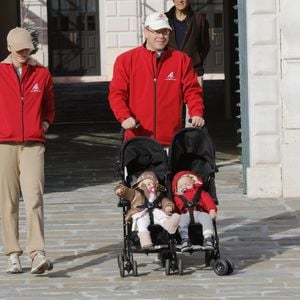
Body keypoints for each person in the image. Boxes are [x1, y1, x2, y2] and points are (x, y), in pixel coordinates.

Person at [0, 27, 55, 274]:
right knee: (8, 201)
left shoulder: (42, 74)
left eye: (27, 48)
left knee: (34, 197)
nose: (24, 52)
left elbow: (49, 106)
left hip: (33, 144)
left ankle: (37, 253)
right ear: (10, 47)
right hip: (4, 145)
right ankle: (13, 253)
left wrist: (43, 124)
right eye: (20, 48)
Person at [108, 12, 205, 147]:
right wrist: (124, 117)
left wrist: (196, 113)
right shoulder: (126, 60)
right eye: (157, 31)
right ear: (146, 32)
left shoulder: (181, 60)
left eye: (165, 32)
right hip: (137, 138)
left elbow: (192, 91)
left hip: (171, 139)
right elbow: (117, 94)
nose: (161, 36)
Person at [115, 171, 180, 249]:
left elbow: (164, 200)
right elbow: (128, 192)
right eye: (148, 184)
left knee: (162, 216)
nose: (151, 185)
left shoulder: (158, 194)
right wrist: (122, 190)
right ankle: (145, 241)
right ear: (141, 184)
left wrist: (168, 206)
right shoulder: (136, 193)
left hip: (155, 212)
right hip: (141, 212)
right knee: (141, 222)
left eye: (153, 184)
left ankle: (170, 225)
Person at [165, 0, 210, 87]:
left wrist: (196, 59)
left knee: (194, 100)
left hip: (193, 70)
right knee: (172, 100)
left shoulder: (199, 19)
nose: (180, 1)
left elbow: (205, 45)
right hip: (170, 72)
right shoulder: (165, 19)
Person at [172, 170, 217, 252]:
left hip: (199, 213)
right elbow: (175, 208)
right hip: (185, 214)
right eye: (181, 186)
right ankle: (185, 239)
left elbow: (208, 201)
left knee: (206, 217)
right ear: (176, 189)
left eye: (188, 184)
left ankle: (208, 238)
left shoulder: (200, 193)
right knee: (181, 221)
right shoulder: (177, 198)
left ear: (194, 183)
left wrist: (211, 210)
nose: (184, 187)